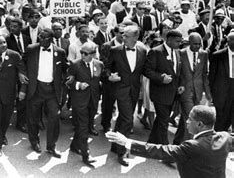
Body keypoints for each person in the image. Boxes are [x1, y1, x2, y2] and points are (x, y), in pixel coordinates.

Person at [106, 105, 234, 178]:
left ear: (200, 124)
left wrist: (127, 142)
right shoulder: (225, 137)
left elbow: (160, 151)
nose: (186, 121)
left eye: (190, 119)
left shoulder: (193, 146)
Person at [105, 25, 148, 166]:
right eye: (122, 35)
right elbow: (107, 67)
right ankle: (121, 152)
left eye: (126, 36)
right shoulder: (115, 50)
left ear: (136, 38)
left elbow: (145, 70)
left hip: (134, 90)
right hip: (121, 89)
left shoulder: (142, 50)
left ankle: (115, 146)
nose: (122, 38)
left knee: (123, 119)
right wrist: (110, 75)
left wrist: (160, 77)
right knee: (128, 119)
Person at [21, 28, 67, 158]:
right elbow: (21, 63)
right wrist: (21, 73)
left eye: (44, 38)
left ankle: (51, 146)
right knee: (33, 118)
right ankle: (34, 142)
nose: (40, 39)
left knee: (54, 118)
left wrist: (67, 80)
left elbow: (66, 68)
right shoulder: (31, 49)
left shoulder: (60, 52)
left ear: (51, 39)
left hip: (52, 91)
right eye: (40, 37)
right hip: (36, 89)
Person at [145, 29, 184, 146]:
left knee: (161, 119)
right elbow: (147, 70)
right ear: (169, 39)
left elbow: (178, 71)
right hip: (159, 93)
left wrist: (180, 85)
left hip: (172, 94)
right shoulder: (156, 52)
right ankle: (165, 150)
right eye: (177, 41)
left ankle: (151, 143)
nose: (179, 44)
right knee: (163, 121)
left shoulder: (177, 52)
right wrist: (161, 78)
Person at [67, 43, 104, 167]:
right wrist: (78, 85)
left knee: (85, 125)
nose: (82, 55)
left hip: (93, 101)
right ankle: (86, 155)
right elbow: (67, 82)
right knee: (83, 127)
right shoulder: (75, 65)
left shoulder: (99, 65)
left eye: (86, 53)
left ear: (93, 54)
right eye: (81, 52)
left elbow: (101, 80)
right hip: (79, 101)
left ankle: (74, 146)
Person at [174, 32, 212, 144]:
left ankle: (177, 143)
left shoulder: (204, 54)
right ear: (189, 43)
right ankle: (187, 148)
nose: (197, 46)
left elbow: (204, 74)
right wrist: (179, 86)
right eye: (195, 44)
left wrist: (208, 93)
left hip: (198, 91)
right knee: (192, 119)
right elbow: (178, 73)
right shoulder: (181, 53)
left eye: (199, 44)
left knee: (184, 120)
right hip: (185, 91)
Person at [209, 31, 234, 131]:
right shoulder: (217, 56)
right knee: (221, 123)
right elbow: (211, 77)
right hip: (222, 94)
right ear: (228, 41)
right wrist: (212, 95)